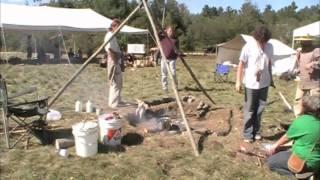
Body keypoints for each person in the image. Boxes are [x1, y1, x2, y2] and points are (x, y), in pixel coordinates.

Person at [235, 25, 274, 143]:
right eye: (261, 41)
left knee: (260, 109)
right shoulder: (248, 47)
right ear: (256, 38)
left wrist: (271, 78)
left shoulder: (270, 46)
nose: (263, 44)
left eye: (265, 41)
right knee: (250, 109)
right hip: (251, 83)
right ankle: (247, 134)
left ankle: (256, 131)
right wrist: (238, 81)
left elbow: (269, 63)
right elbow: (241, 64)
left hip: (264, 83)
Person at [266, 95, 320, 177]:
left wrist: (275, 146)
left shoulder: (302, 121)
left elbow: (287, 137)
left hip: (305, 161)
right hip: (317, 159)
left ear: (305, 108)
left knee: (271, 162)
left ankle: (297, 176)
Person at [293, 37, 320, 117]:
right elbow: (300, 65)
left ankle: (315, 120)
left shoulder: (316, 50)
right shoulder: (301, 51)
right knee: (298, 101)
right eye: (301, 41)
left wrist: (312, 64)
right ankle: (298, 118)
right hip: (303, 81)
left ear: (309, 41)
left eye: (304, 41)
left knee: (315, 103)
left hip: (314, 82)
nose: (302, 43)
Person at [104, 19, 124, 108]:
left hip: (116, 61)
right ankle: (113, 104)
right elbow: (110, 50)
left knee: (119, 82)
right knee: (115, 83)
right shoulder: (109, 35)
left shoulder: (113, 35)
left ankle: (117, 101)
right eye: (119, 27)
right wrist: (115, 61)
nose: (119, 30)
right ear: (114, 26)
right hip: (113, 61)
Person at [158, 25, 180, 92]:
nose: (171, 32)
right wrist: (162, 30)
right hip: (164, 59)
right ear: (166, 31)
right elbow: (156, 34)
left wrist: (177, 53)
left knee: (173, 73)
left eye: (172, 31)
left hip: (172, 59)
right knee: (164, 73)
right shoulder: (162, 38)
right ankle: (165, 88)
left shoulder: (175, 40)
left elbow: (177, 49)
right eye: (169, 31)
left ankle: (175, 86)